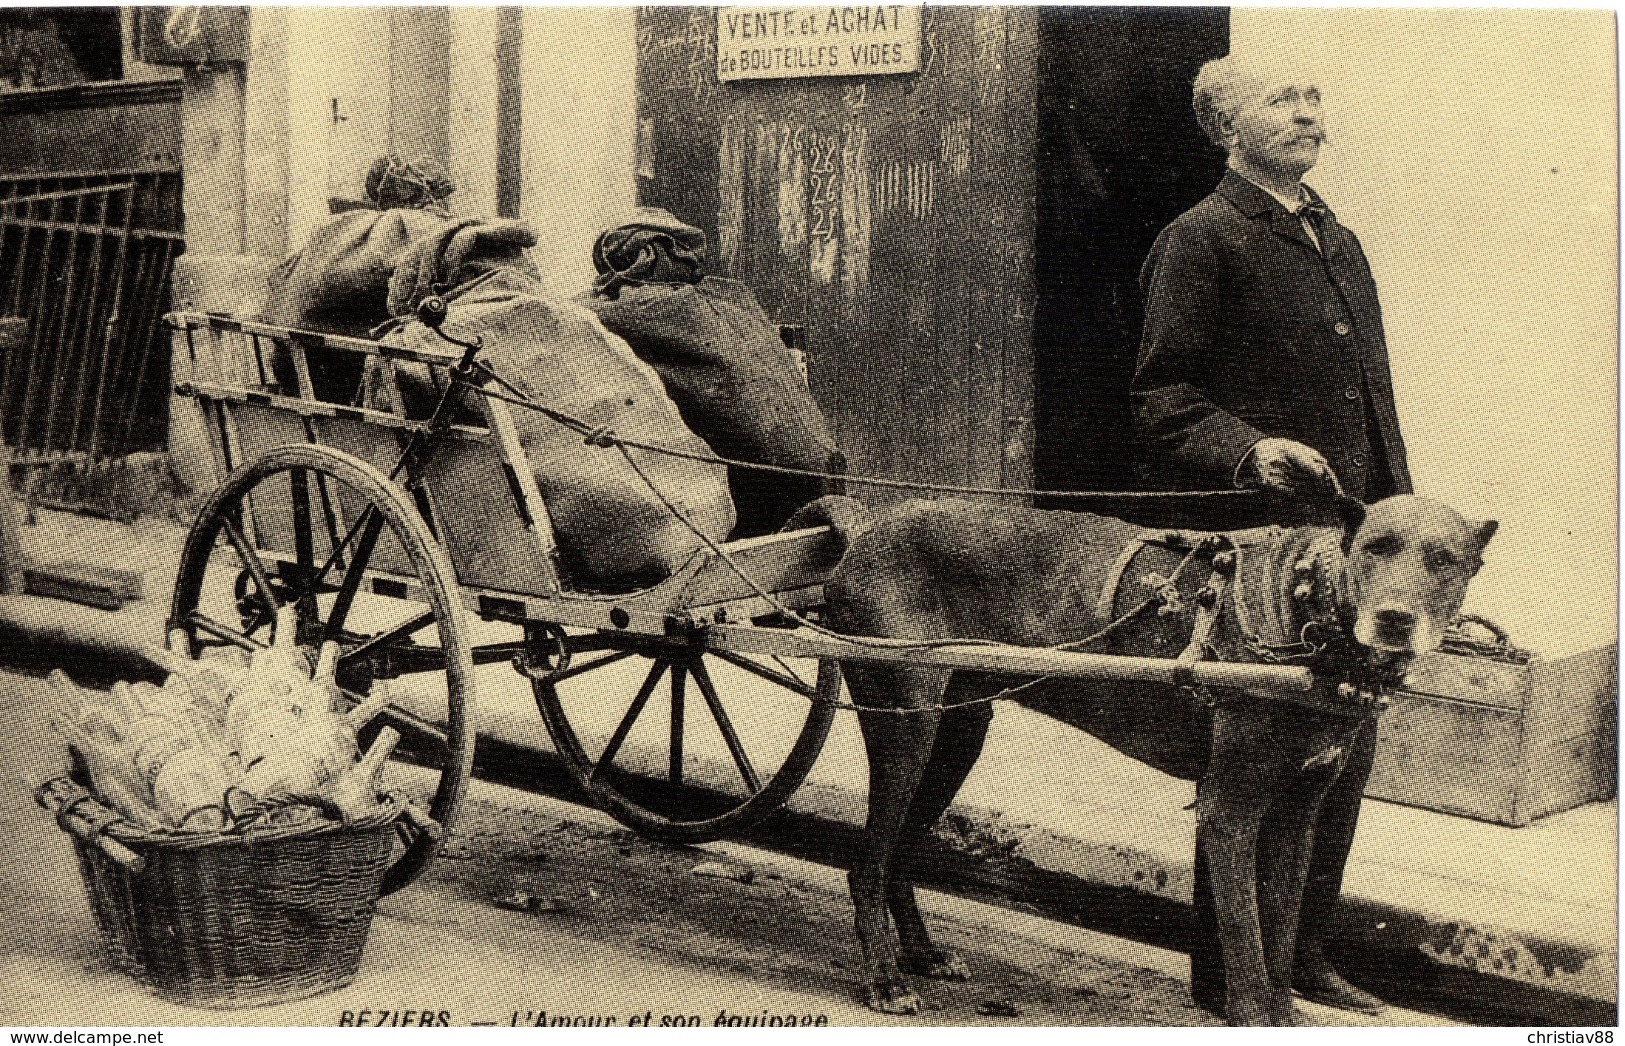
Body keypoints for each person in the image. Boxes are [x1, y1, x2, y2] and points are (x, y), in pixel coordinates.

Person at [1131, 52, 1413, 1016]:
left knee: (1342, 755)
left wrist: (1396, 523)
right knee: (1249, 768)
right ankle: (1228, 981)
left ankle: (1301, 953)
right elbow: (1159, 400)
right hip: (1256, 557)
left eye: (1312, 96)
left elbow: (1373, 407)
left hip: (1351, 558)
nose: (1306, 114)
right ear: (1222, 128)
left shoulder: (1336, 236)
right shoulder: (1199, 238)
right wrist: (1247, 450)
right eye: (1279, 100)